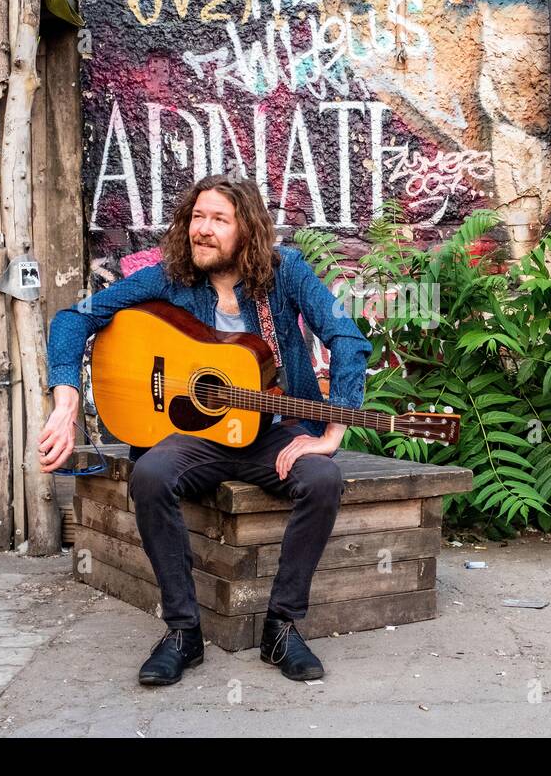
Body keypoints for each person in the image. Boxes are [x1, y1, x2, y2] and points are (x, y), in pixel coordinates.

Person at [39, 174, 372, 686]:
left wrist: (331, 430)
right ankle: (182, 632)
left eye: (220, 219)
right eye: (198, 217)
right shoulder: (168, 277)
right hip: (198, 437)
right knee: (149, 475)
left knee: (323, 481)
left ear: (247, 229)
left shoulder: (288, 274)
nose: (204, 229)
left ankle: (282, 627)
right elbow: (71, 318)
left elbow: (346, 337)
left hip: (274, 431)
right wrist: (64, 401)